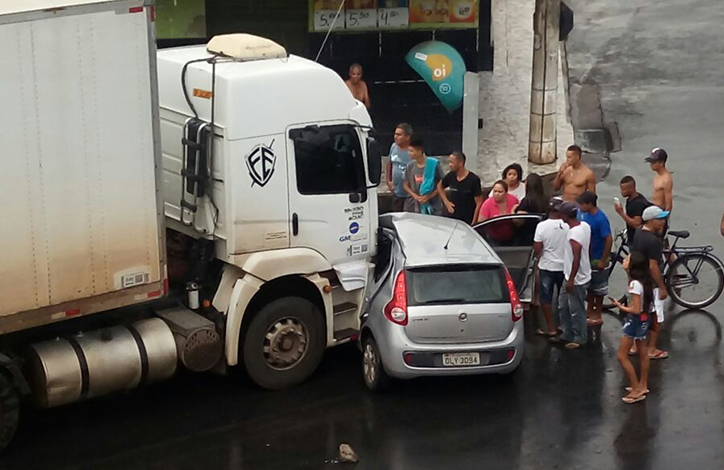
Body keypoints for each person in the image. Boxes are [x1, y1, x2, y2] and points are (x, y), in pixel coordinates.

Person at [610, 251, 654, 404]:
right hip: (644, 319)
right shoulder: (643, 281)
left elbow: (635, 309)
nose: (625, 259)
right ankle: (643, 384)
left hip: (634, 320)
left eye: (628, 258)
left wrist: (620, 307)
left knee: (622, 356)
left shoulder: (635, 284)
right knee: (643, 351)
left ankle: (636, 388)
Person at [629, 205, 670, 360]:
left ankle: (634, 346)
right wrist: (662, 287)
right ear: (652, 221)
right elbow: (653, 267)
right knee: (656, 317)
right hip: (650, 285)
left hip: (637, 280)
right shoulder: (654, 241)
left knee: (639, 313)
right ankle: (651, 349)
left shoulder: (639, 233)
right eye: (660, 219)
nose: (663, 222)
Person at [556, 202, 591, 349]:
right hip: (570, 276)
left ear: (565, 216)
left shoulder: (574, 234)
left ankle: (579, 337)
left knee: (576, 310)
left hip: (576, 279)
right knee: (563, 305)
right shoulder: (584, 226)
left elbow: (576, 258)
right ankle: (567, 333)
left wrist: (571, 280)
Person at [533, 198, 569, 337]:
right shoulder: (567, 225)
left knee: (546, 298)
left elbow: (537, 248)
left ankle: (550, 328)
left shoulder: (541, 226)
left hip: (547, 266)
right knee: (563, 298)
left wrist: (538, 258)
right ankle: (563, 325)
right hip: (564, 266)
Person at [576, 191, 613, 326]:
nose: (579, 206)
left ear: (590, 204)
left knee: (599, 288)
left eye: (582, 204)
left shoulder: (600, 218)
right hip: (587, 256)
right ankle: (590, 310)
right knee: (590, 287)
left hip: (597, 256)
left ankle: (597, 313)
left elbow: (608, 239)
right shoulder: (582, 213)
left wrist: (603, 259)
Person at [438, 151, 483, 225]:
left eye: (452, 162)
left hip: (467, 218)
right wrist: (446, 202)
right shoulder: (451, 176)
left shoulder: (473, 179)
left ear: (461, 163)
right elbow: (440, 186)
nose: (449, 165)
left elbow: (479, 203)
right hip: (452, 217)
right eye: (449, 162)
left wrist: (474, 222)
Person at [403, 138, 444, 214]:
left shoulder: (433, 164)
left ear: (419, 151)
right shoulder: (410, 166)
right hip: (415, 206)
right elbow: (405, 185)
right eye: (408, 150)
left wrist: (429, 196)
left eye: (412, 151)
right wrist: (415, 196)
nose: (409, 153)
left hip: (433, 206)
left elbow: (442, 184)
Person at [614, 176, 651, 245]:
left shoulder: (637, 203)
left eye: (623, 189)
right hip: (633, 237)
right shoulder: (631, 199)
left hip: (638, 241)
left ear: (631, 188)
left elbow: (636, 224)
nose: (621, 192)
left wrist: (621, 212)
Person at [646, 147, 673, 236]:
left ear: (661, 163)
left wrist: (663, 222)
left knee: (660, 243)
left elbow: (669, 205)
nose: (651, 164)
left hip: (660, 214)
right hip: (654, 211)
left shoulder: (666, 179)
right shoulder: (657, 175)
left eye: (653, 162)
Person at [386, 124, 413, 212]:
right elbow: (389, 163)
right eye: (395, 134)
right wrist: (388, 181)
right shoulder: (393, 147)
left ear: (407, 137)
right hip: (396, 192)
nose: (395, 137)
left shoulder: (413, 151)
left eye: (399, 135)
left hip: (410, 195)